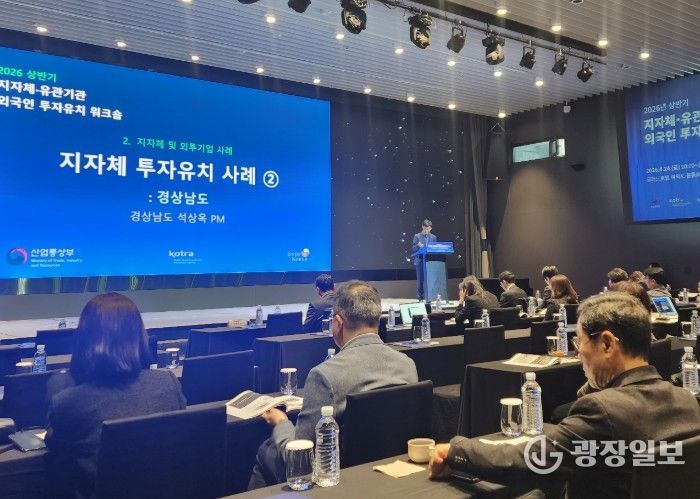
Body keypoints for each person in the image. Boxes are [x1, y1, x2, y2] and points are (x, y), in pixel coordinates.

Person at [429, 292, 700, 497]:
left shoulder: (603, 410)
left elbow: (526, 461)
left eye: (580, 341)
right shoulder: (687, 401)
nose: (578, 353)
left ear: (607, 343)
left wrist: (456, 449)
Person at [249, 281, 418, 489]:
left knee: (266, 450)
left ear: (337, 322)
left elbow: (300, 459)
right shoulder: (407, 365)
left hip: (338, 482)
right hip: (393, 475)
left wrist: (281, 422)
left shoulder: (324, 375)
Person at [45, 293, 186, 499]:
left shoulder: (69, 401)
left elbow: (58, 471)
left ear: (84, 338)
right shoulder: (167, 383)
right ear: (139, 336)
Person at [412, 219, 437, 300]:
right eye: (425, 228)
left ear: (430, 228)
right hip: (420, 261)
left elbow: (434, 249)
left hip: (429, 261)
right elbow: (413, 249)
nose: (427, 230)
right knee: (420, 280)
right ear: (422, 227)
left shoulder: (433, 237)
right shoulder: (417, 236)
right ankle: (420, 298)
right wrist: (418, 246)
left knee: (430, 280)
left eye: (428, 229)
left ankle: (430, 297)